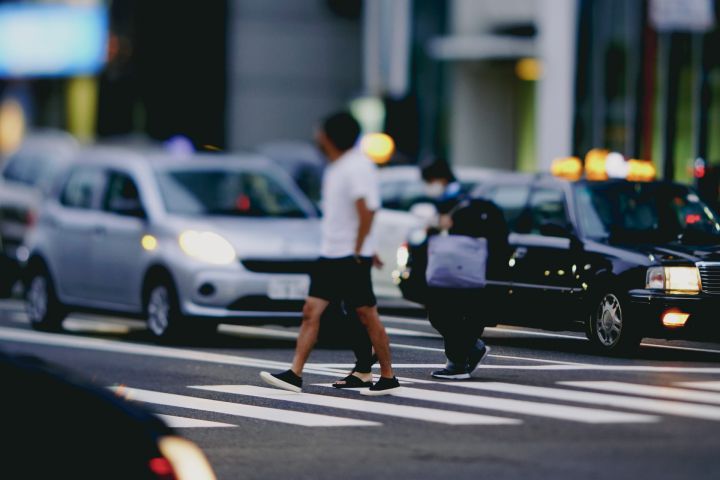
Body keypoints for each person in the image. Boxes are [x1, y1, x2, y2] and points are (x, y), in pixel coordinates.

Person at [260, 112, 400, 395]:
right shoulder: (337, 167)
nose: (316, 136)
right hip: (330, 255)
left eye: (320, 131)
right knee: (311, 312)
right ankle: (294, 374)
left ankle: (388, 377)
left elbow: (367, 210)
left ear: (330, 136)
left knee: (366, 315)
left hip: (349, 256)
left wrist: (361, 250)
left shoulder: (356, 166)